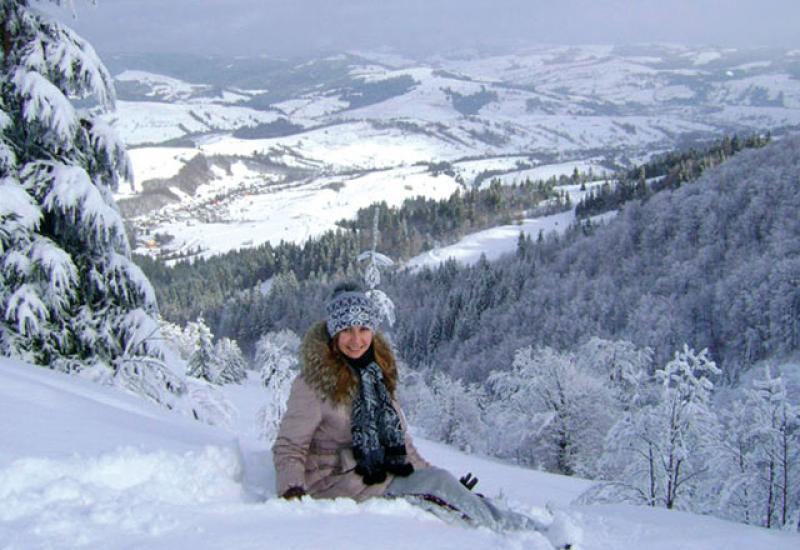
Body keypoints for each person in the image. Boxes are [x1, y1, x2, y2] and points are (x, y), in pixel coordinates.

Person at [272, 282, 553, 534]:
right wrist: (291, 492)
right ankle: (516, 534)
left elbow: (403, 445)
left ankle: (527, 530)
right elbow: (289, 446)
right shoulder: (313, 383)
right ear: (334, 334)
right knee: (438, 488)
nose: (356, 339)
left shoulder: (375, 375)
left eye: (363, 329)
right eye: (346, 330)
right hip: (335, 483)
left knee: (444, 486)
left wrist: (440, 479)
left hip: (377, 471)